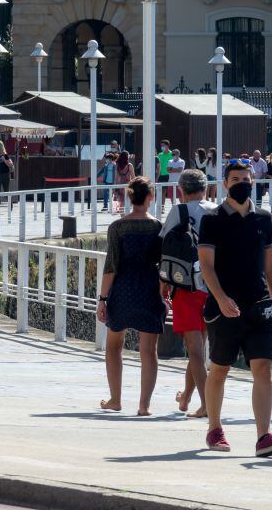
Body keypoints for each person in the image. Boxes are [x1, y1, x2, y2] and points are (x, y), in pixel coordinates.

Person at [198, 162, 272, 457]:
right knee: (220, 369)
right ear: (225, 183)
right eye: (236, 179)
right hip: (224, 306)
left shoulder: (263, 218)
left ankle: (264, 436)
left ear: (254, 181)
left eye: (246, 178)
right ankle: (215, 428)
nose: (241, 183)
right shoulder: (212, 219)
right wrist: (222, 298)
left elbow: (270, 265)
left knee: (262, 367)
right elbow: (206, 266)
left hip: (259, 305)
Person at [98, 177, 165, 415]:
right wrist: (164, 294)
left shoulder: (117, 227)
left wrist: (102, 299)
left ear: (129, 197)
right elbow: (163, 266)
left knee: (114, 346)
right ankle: (144, 405)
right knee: (148, 350)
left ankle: (115, 399)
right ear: (150, 197)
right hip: (149, 288)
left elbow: (111, 266)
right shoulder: (158, 227)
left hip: (123, 290)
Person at [158, 170, 216, 419]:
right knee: (199, 348)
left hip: (187, 286)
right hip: (214, 287)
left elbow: (164, 247)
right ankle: (187, 397)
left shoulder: (178, 211)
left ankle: (206, 405)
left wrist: (164, 282)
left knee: (194, 350)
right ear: (206, 188)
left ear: (181, 189)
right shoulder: (217, 210)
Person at [156, 140, 173, 212]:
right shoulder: (159, 155)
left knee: (171, 191)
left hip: (169, 175)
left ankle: (174, 207)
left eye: (163, 145)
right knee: (161, 191)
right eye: (161, 145)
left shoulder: (172, 154)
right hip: (161, 175)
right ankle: (162, 208)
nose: (162, 147)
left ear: (168, 146)